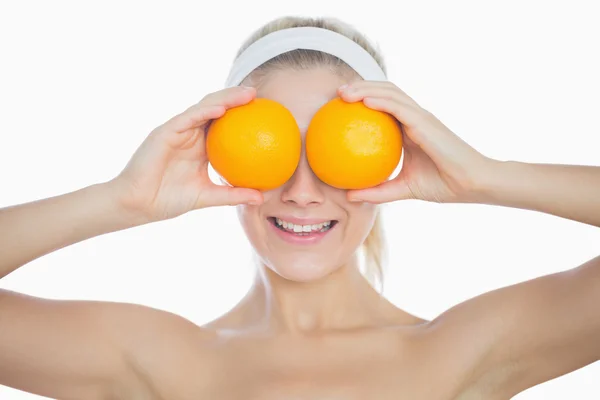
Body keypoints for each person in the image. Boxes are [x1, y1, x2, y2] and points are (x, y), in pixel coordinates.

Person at [0, 15, 598, 400]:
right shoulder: (160, 360)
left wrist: (486, 177)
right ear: (222, 157)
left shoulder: (462, 350)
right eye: (275, 149)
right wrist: (120, 200)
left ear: (392, 155)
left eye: (335, 150)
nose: (303, 191)